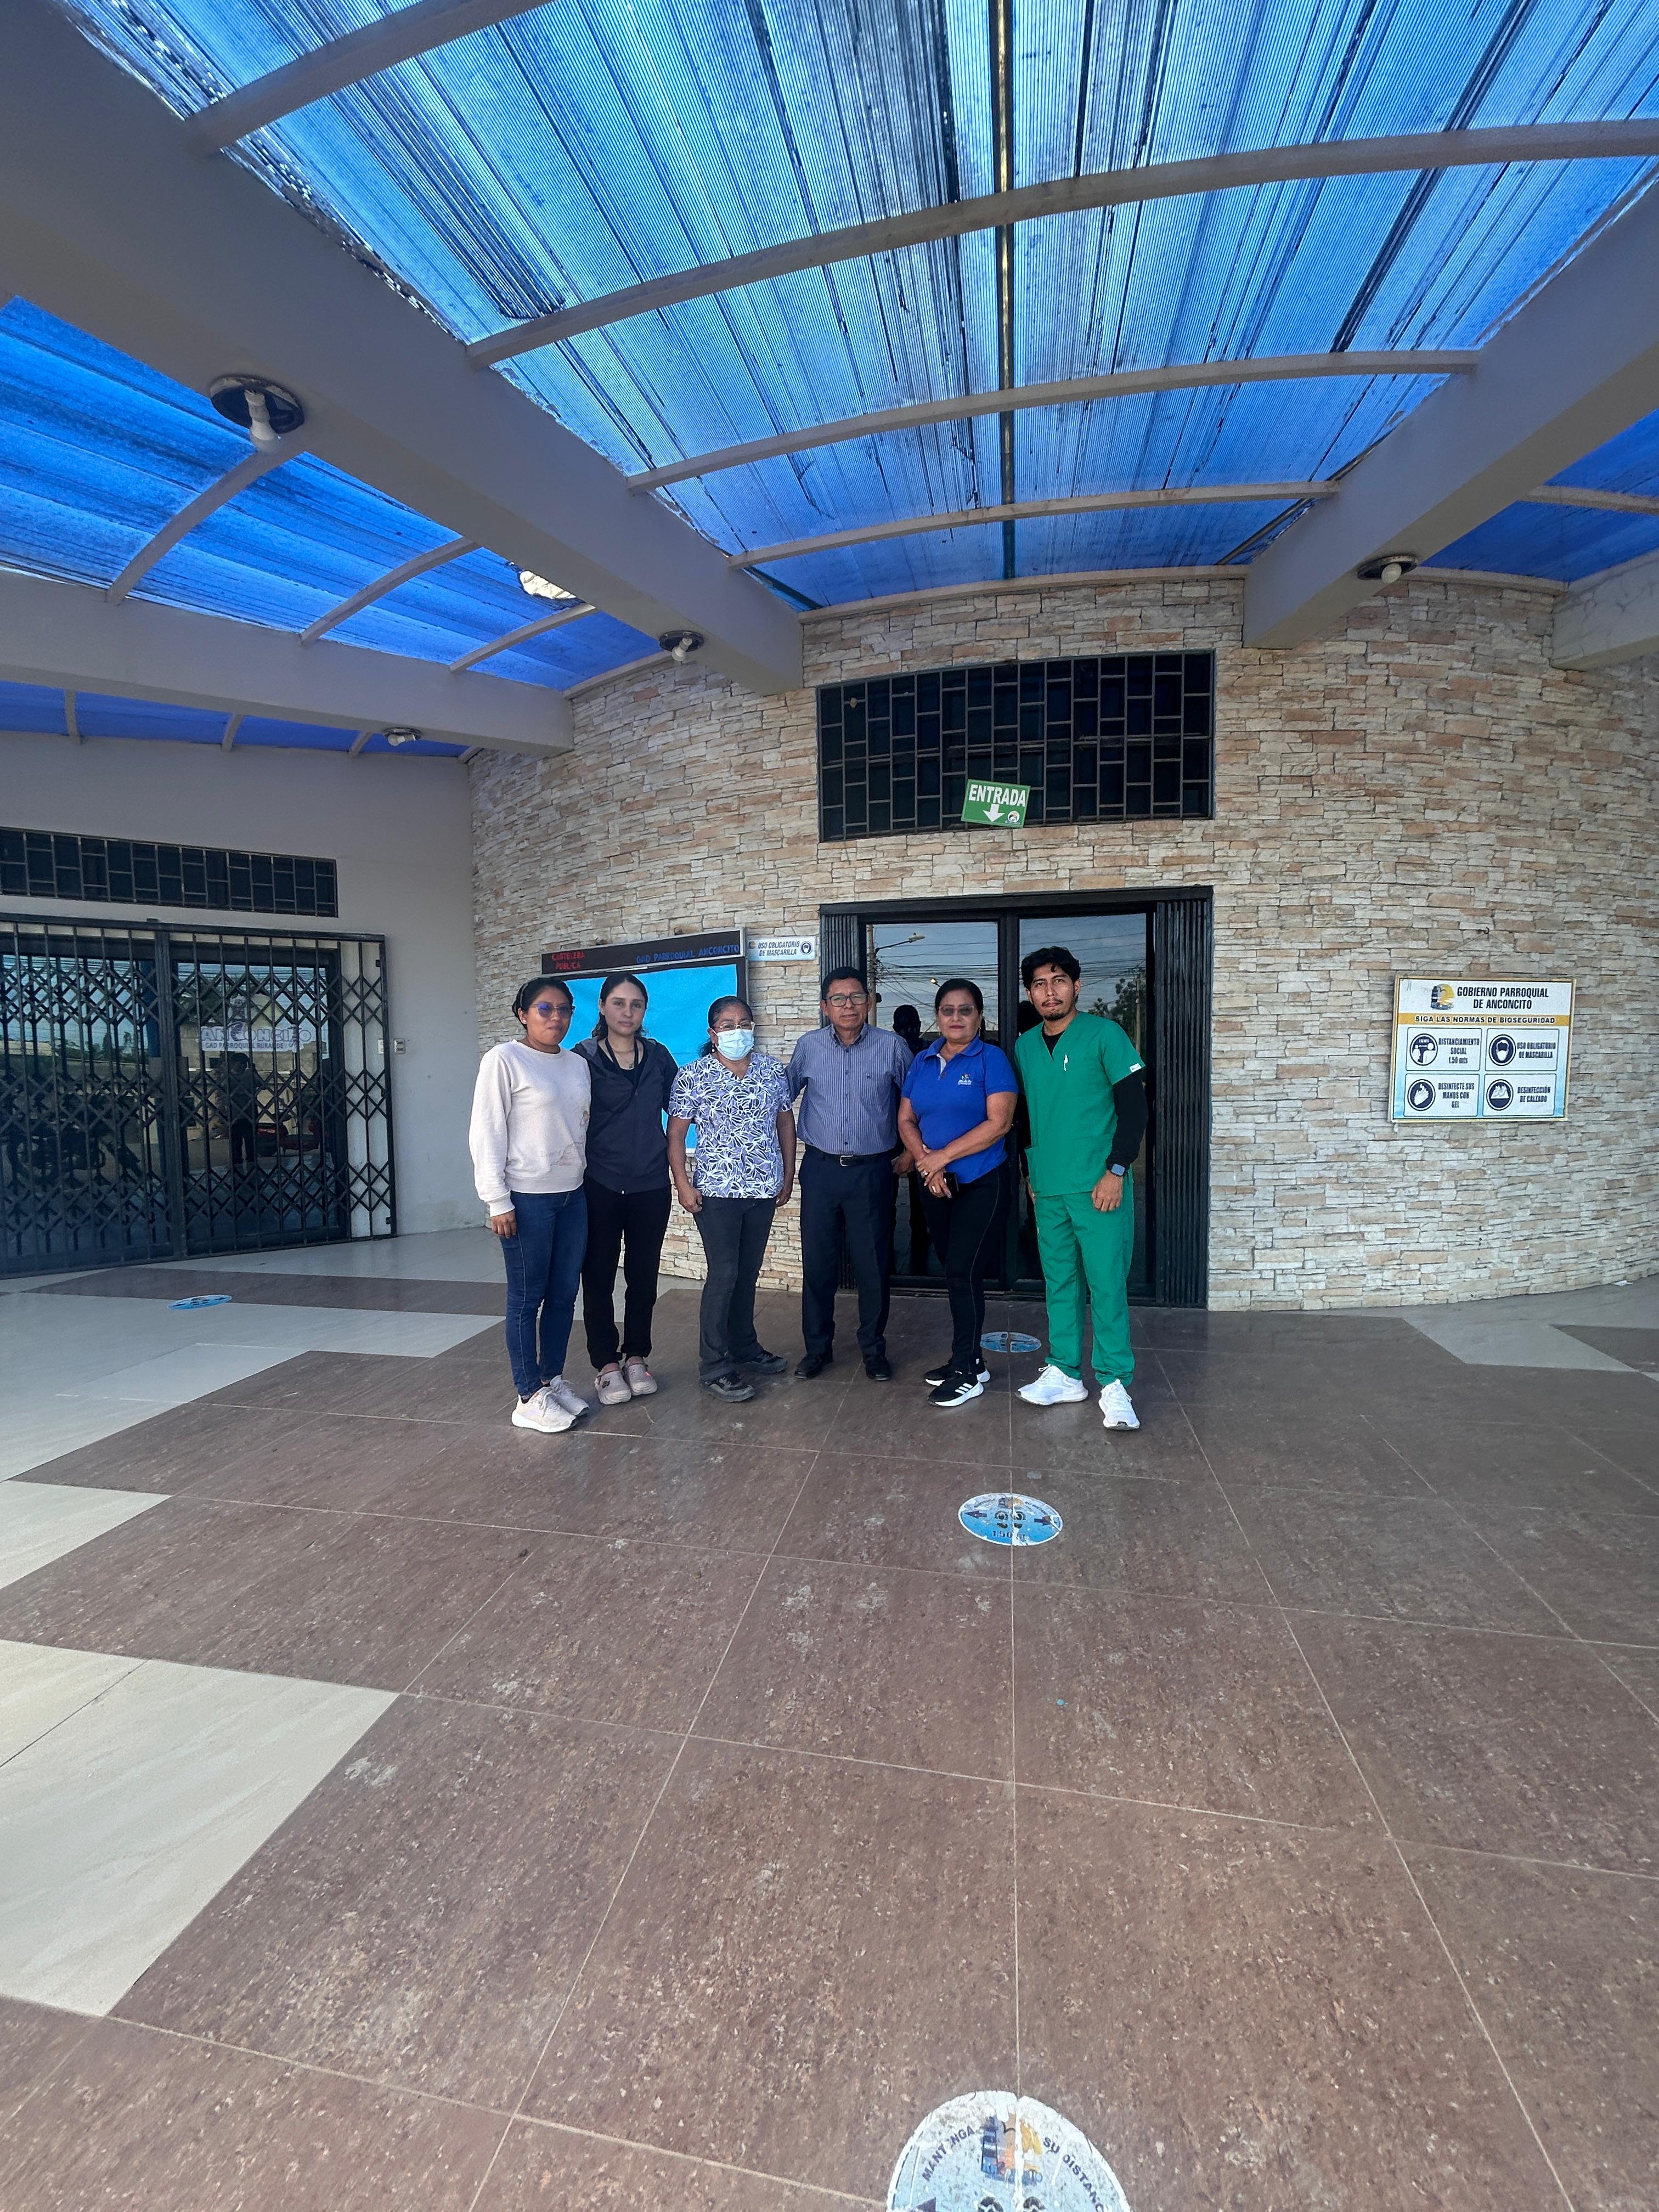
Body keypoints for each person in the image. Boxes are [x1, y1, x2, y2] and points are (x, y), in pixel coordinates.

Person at [1013, 945, 1148, 1431]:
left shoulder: (1105, 1035)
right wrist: (1030, 1175)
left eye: (1058, 981)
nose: (1050, 992)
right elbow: (1026, 1117)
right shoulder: (1025, 1046)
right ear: (1031, 994)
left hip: (1099, 1185)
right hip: (1049, 1185)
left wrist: (1117, 1169)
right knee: (1060, 1283)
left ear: (1076, 986)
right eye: (1040, 984)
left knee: (1106, 1284)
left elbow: (1135, 1108)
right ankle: (1066, 1372)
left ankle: (1115, 1383)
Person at [469, 975, 592, 1436]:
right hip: (526, 1198)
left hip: (572, 1194)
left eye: (564, 1009)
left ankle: (551, 1380)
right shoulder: (504, 1060)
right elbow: (487, 1131)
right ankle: (527, 1397)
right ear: (523, 1014)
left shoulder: (576, 1064)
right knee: (527, 1298)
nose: (556, 1017)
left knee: (563, 1295)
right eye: (545, 1008)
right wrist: (497, 1199)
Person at [668, 995, 797, 1403]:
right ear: (712, 1033)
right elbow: (676, 1135)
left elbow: (785, 1122)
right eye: (727, 1025)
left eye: (744, 1024)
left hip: (762, 1188)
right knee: (724, 1274)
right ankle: (714, 1365)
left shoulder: (772, 1071)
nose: (736, 1031)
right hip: (717, 1192)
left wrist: (788, 1173)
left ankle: (745, 1347)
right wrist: (683, 1184)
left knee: (747, 1272)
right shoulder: (693, 1075)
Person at [897, 978, 1018, 1408]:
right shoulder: (922, 1061)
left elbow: (999, 1124)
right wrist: (925, 1161)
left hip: (982, 1182)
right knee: (955, 1270)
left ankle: (966, 1371)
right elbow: (906, 1119)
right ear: (937, 1016)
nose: (956, 1018)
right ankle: (972, 1360)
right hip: (936, 1185)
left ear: (979, 1017)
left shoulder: (992, 1059)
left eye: (965, 1010)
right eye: (947, 1010)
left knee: (963, 1272)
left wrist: (941, 1157)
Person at [786, 967, 912, 1381]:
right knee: (818, 1265)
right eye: (838, 999)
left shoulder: (892, 1047)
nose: (848, 1006)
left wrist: (912, 1152)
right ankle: (817, 1350)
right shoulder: (808, 1047)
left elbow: (916, 1101)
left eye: (856, 997)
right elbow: (781, 1099)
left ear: (869, 1002)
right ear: (825, 1007)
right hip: (820, 1170)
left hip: (872, 1172)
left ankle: (873, 1350)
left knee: (873, 1265)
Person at [575, 972, 677, 1404]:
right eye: (618, 1003)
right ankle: (606, 1364)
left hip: (650, 1184)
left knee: (643, 1275)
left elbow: (681, 1110)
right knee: (598, 1276)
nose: (627, 1012)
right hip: (599, 1183)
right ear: (602, 1006)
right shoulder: (581, 1059)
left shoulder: (658, 1056)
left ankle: (636, 1356)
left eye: (636, 1004)